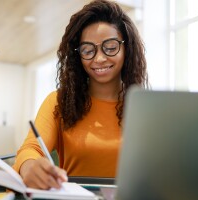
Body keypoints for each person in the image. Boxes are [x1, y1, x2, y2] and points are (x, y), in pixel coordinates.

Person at [13, 0, 149, 190]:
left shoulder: (147, 107)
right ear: (78, 55)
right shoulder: (59, 101)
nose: (99, 58)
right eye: (87, 50)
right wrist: (29, 167)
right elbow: (30, 149)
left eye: (110, 47)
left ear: (128, 48)